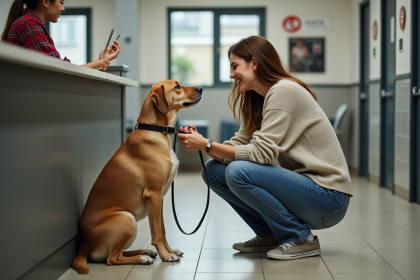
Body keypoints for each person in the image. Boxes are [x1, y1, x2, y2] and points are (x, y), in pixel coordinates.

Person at [176, 36, 352, 260]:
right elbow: (239, 144)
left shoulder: (284, 91)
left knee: (238, 172)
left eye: (234, 66)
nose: (231, 75)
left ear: (254, 63)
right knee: (213, 171)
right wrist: (202, 143)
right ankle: (271, 234)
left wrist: (207, 145)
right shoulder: (259, 99)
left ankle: (300, 238)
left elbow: (261, 155)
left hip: (329, 197)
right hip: (307, 191)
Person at [1, 0, 120, 71]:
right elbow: (60, 70)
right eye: (61, 3)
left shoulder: (30, 23)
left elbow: (58, 68)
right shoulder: (29, 24)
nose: (63, 8)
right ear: (46, 2)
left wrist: (102, 61)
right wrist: (100, 62)